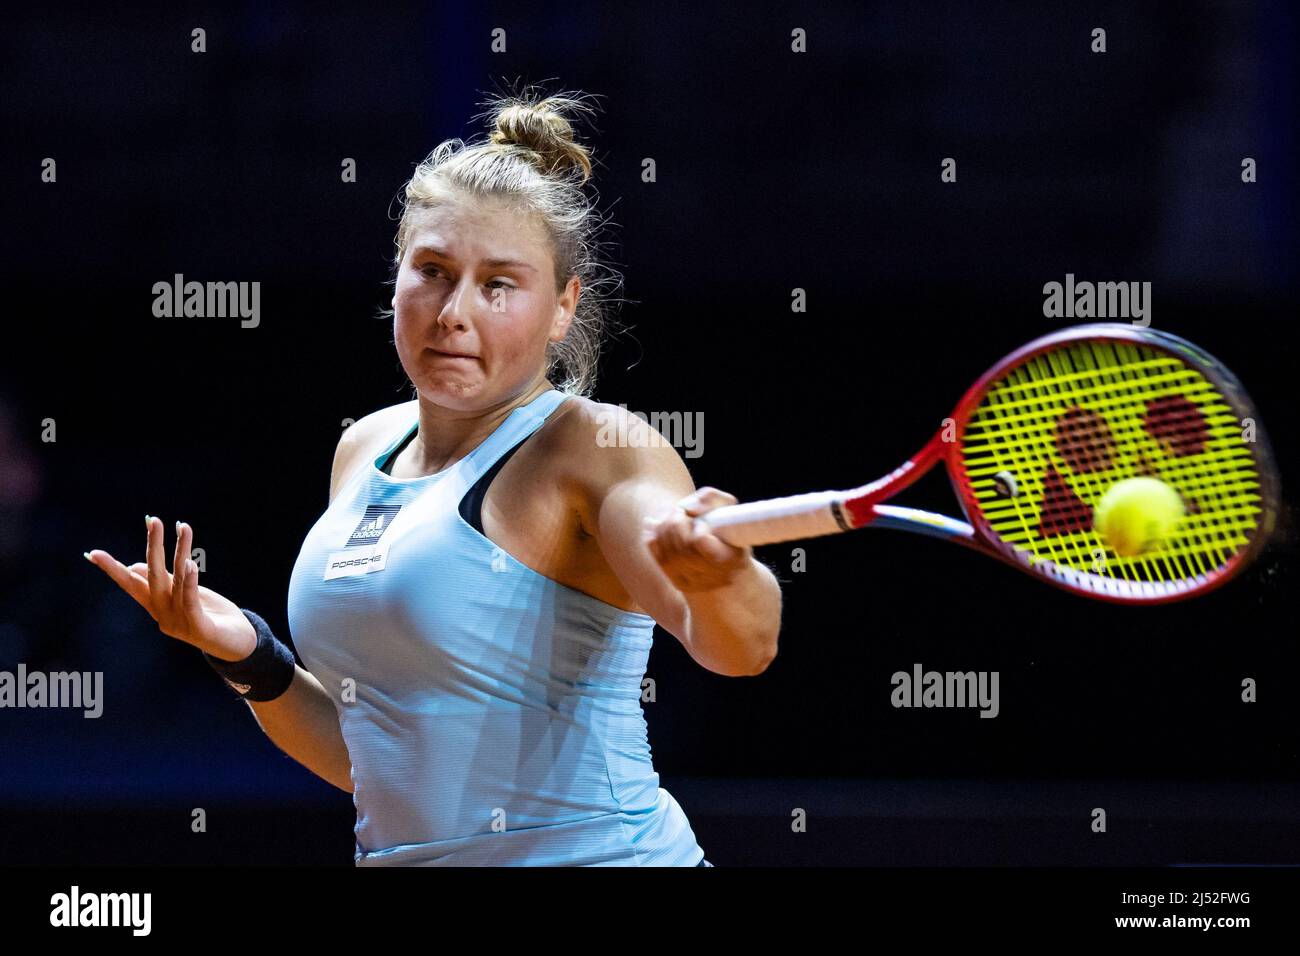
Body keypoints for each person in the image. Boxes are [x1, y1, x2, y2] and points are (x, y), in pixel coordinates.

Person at [86, 87, 781, 866]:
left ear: (562, 308)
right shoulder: (363, 449)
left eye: (499, 285)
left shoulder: (596, 447)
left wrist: (723, 579)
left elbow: (737, 648)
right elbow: (374, 764)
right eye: (434, 271)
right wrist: (246, 655)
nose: (455, 311)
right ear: (397, 281)